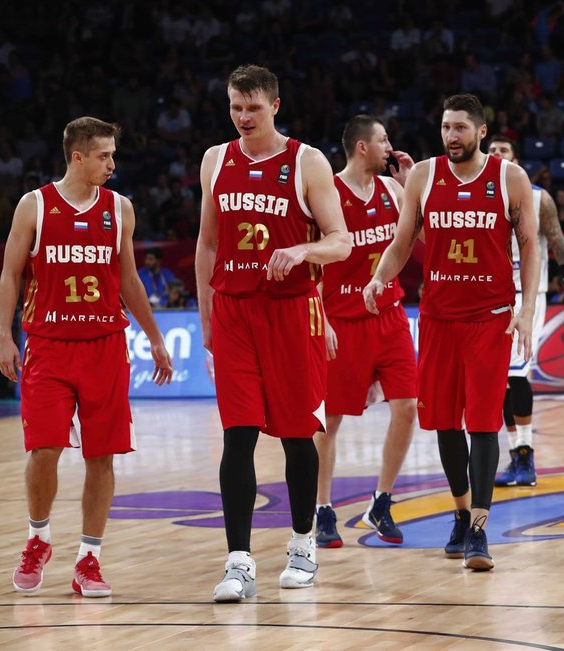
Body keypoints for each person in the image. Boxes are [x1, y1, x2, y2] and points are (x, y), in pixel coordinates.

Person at [0, 117, 174, 598]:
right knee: (44, 449)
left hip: (105, 347)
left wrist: (155, 337)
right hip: (48, 347)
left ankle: (89, 559)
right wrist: (3, 336)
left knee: (102, 456)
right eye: (104, 156)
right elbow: (11, 275)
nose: (113, 164)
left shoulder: (120, 209)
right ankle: (38, 539)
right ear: (77, 156)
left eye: (114, 155)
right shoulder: (34, 206)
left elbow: (129, 281)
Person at [195, 65, 351, 602]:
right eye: (236, 107)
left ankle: (303, 544)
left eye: (253, 108)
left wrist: (303, 250)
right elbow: (208, 246)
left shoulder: (307, 161)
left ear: (276, 106)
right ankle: (238, 562)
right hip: (234, 310)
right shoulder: (215, 159)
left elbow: (341, 242)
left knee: (295, 433)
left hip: (291, 311)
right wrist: (206, 319)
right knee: (237, 435)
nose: (243, 117)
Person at [365, 93, 540, 571]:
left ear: (482, 131)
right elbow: (402, 242)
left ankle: (481, 530)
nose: (451, 136)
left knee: (483, 423)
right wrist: (380, 277)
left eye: (460, 127)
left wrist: (524, 311)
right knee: (445, 423)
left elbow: (529, 245)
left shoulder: (510, 178)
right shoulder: (422, 175)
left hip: (490, 317)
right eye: (445, 127)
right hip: (439, 318)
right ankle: (461, 515)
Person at [313, 115, 417, 549]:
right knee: (329, 421)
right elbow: (314, 266)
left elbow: (418, 238)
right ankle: (322, 509)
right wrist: (321, 319)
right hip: (342, 320)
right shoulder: (328, 195)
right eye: (383, 140)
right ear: (361, 147)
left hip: (390, 315)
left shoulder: (394, 190)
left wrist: (413, 185)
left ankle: (381, 501)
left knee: (409, 407)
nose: (390, 147)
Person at [486, 136, 564, 488]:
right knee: (498, 380)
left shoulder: (537, 197)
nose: (496, 155)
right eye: (492, 151)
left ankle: (527, 456)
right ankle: (517, 455)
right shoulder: (480, 195)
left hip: (526, 293)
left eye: (503, 150)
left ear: (515, 159)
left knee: (516, 374)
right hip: (488, 294)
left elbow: (560, 246)